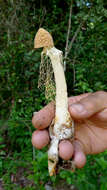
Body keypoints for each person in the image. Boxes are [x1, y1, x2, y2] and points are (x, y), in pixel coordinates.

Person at [32, 91, 107, 168]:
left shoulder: (70, 113)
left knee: (64, 149)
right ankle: (60, 161)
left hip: (66, 133)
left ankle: (62, 161)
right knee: (61, 148)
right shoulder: (57, 118)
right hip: (59, 135)